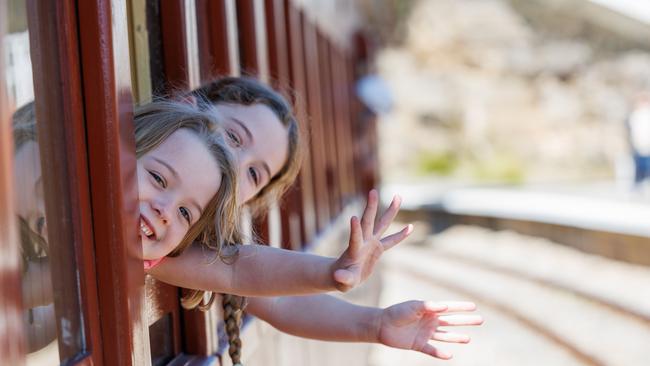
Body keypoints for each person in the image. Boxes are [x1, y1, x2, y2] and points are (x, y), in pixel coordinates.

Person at [145, 77, 482, 363]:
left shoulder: (174, 237)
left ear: (250, 199)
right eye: (233, 138)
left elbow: (258, 286)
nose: (235, 164)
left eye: (253, 173)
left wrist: (374, 323)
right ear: (187, 109)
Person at [626, 92, 650, 190]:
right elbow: (633, 131)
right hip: (638, 144)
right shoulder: (635, 115)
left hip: (647, 144)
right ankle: (638, 184)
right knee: (639, 165)